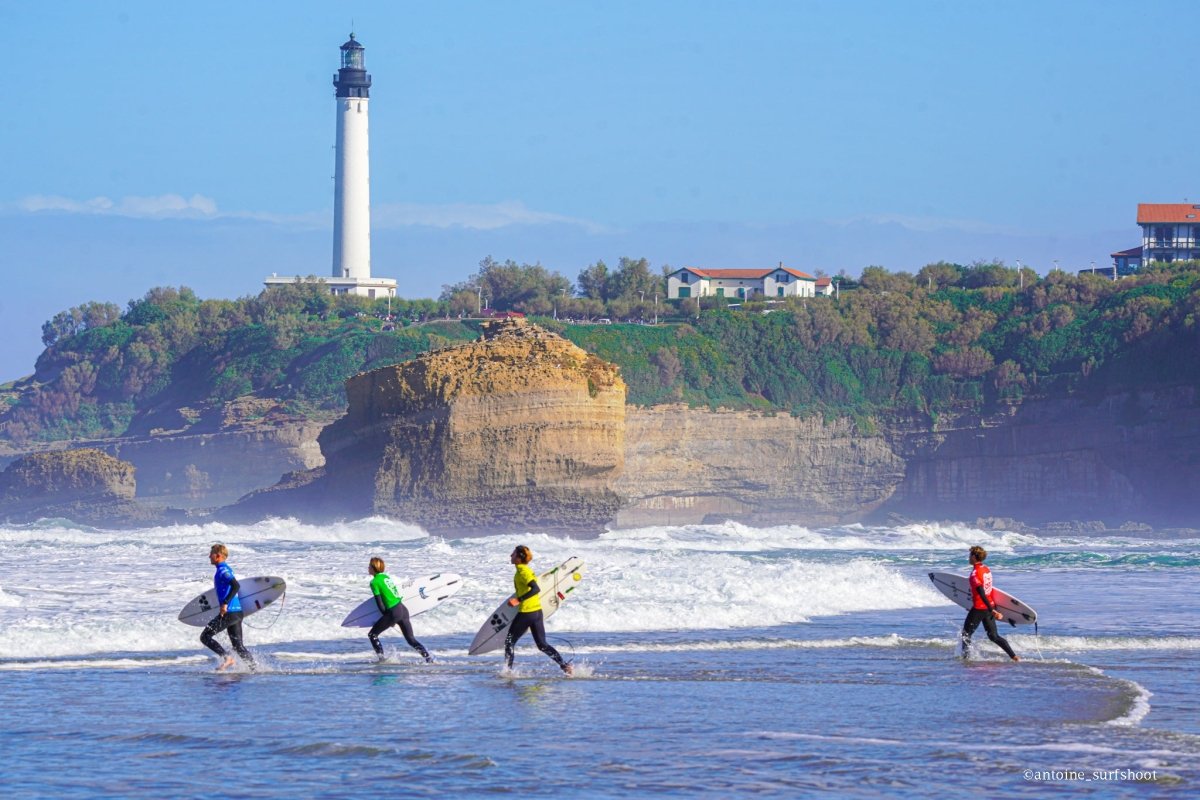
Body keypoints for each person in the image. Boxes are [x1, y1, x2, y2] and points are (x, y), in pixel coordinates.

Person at [504, 545, 572, 675]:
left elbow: (535, 589)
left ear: (519, 557)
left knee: (509, 642)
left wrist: (518, 600)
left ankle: (507, 672)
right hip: (536, 612)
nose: (510, 556)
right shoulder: (524, 570)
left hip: (527, 612)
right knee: (542, 645)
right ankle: (565, 666)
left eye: (513, 554)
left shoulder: (523, 572)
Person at [200, 543, 256, 671]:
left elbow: (236, 586)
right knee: (238, 646)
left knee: (205, 637)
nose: (209, 556)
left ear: (218, 556)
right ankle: (254, 669)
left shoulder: (223, 570)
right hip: (237, 613)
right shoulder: (225, 569)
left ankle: (227, 658)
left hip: (229, 613)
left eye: (211, 554)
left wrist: (224, 603)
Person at [961, 545, 1020, 662]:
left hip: (981, 607)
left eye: (970, 555)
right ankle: (1014, 656)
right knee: (993, 636)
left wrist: (993, 611)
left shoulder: (974, 574)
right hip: (989, 605)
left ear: (974, 556)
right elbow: (989, 589)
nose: (968, 558)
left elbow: (982, 593)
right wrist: (992, 607)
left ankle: (965, 660)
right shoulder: (986, 569)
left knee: (966, 634)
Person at [367, 557, 432, 662]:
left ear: (374, 567)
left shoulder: (374, 582)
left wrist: (389, 619)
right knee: (411, 640)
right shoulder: (385, 577)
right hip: (403, 609)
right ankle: (429, 659)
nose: (368, 567)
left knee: (372, 635)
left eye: (370, 566)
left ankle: (381, 660)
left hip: (393, 612)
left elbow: (380, 603)